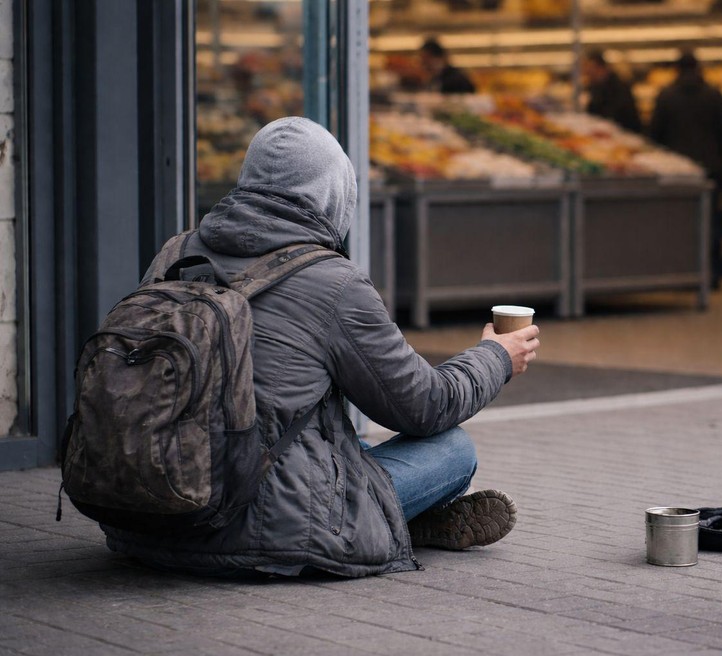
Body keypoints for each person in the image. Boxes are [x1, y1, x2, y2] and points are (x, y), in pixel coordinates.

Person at [102, 116, 539, 578]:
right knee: (451, 450)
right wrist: (496, 357)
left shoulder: (175, 253)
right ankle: (392, 521)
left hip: (145, 518)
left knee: (338, 441)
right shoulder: (333, 282)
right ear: (335, 195)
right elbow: (425, 406)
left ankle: (396, 520)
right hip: (266, 532)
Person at [648, 50, 722, 289]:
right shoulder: (713, 95)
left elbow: (655, 134)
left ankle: (682, 273)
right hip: (710, 167)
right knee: (712, 222)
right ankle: (713, 274)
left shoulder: (666, 96)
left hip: (677, 170)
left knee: (678, 224)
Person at [583, 49, 642, 134]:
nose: (586, 72)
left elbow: (621, 117)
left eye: (589, 69)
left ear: (599, 67)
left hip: (623, 135)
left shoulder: (618, 87)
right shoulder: (595, 87)